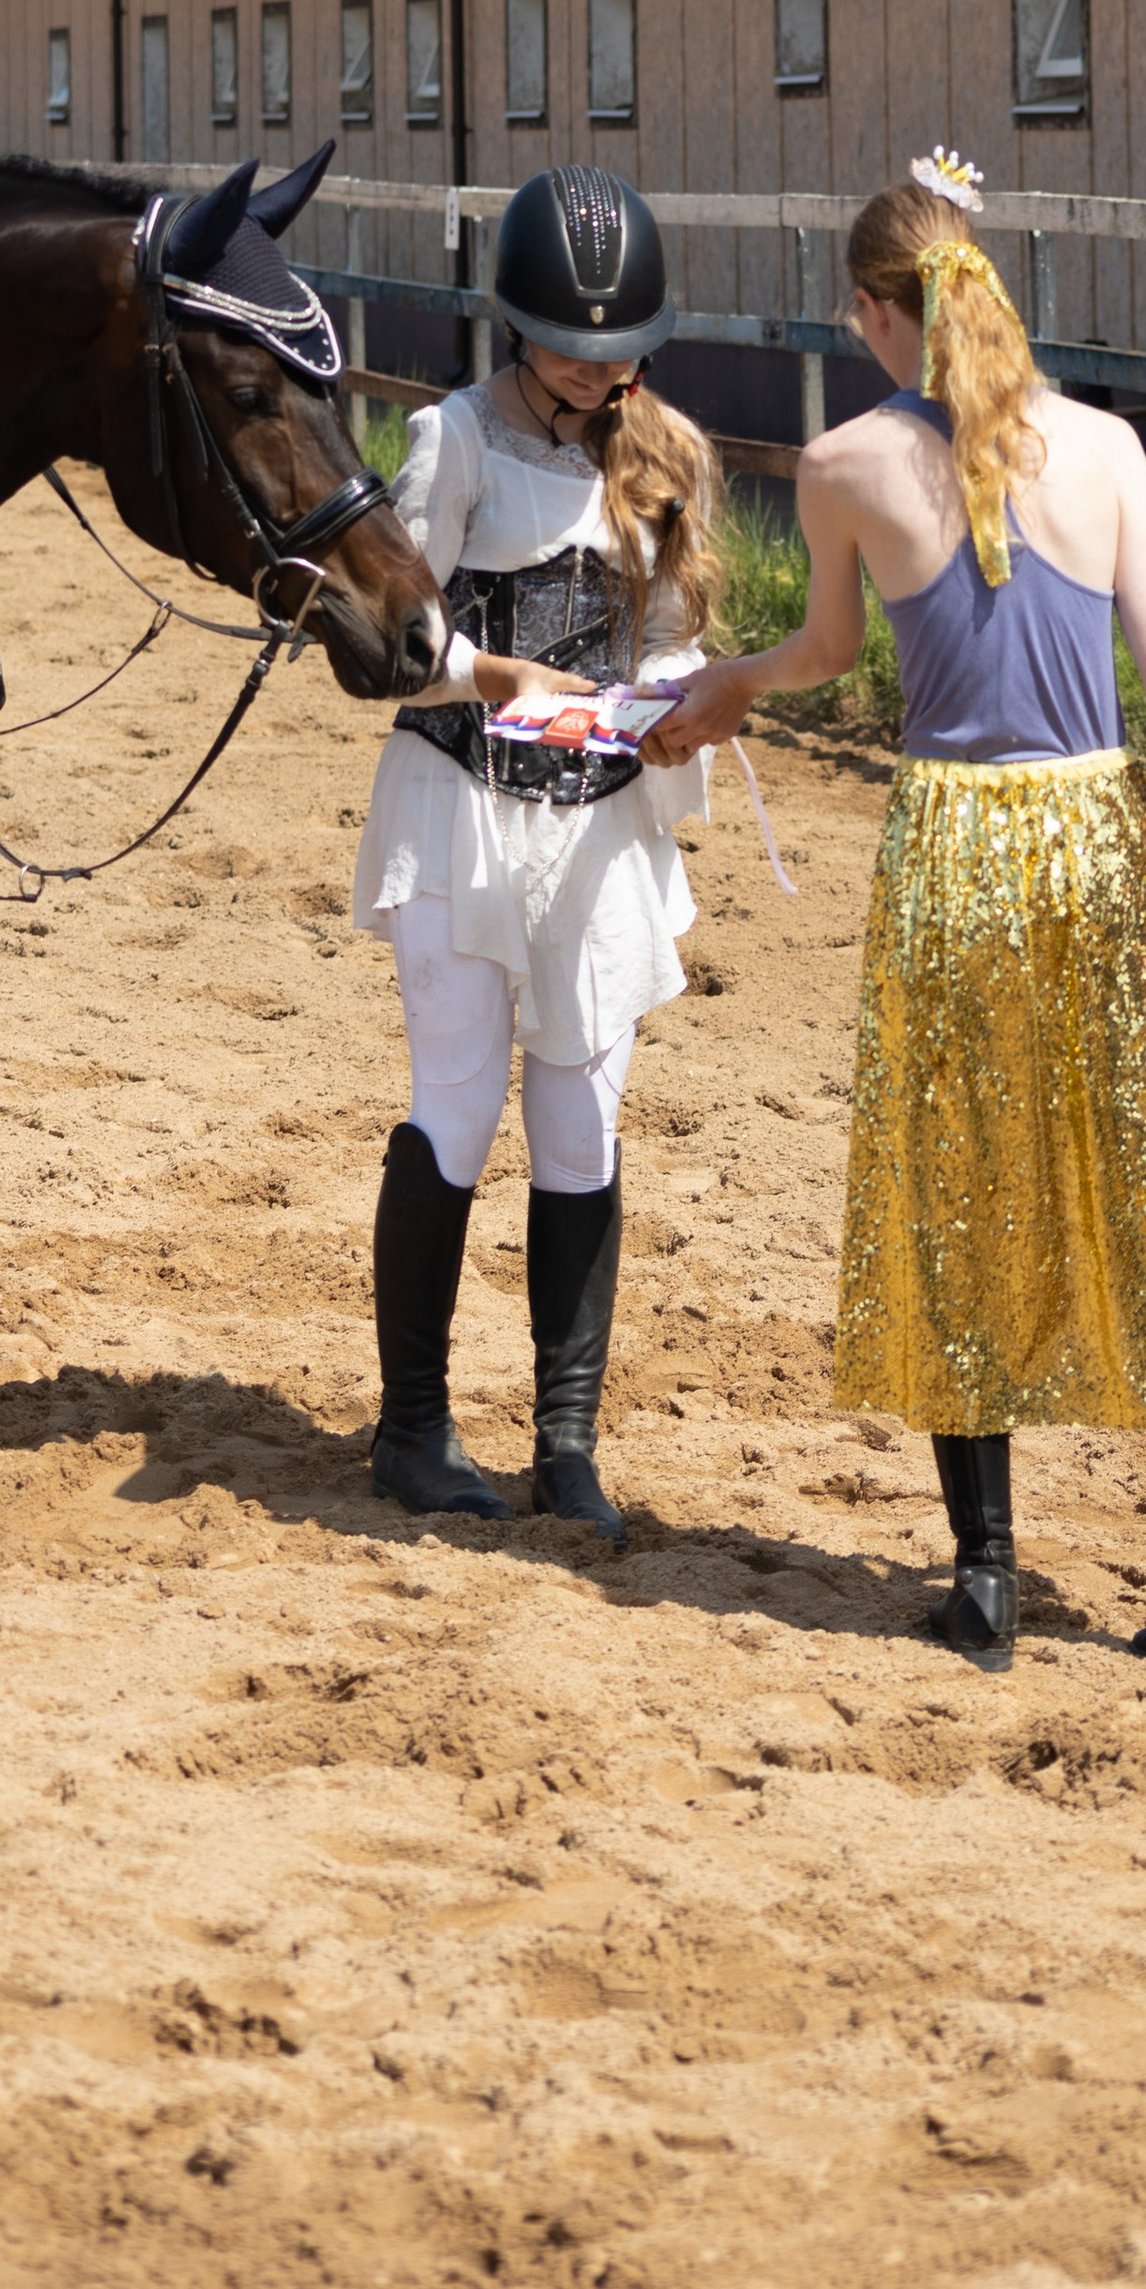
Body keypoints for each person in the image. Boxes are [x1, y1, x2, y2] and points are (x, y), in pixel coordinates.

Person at [644, 154, 1146, 1670]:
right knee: (1144, 1192)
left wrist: (726, 692)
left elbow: (823, 651)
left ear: (881, 314)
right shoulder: (1111, 451)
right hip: (1095, 835)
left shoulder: (841, 467)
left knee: (954, 1192)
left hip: (953, 845)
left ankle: (991, 1582)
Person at [352, 163, 721, 1543]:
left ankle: (568, 1443)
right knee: (456, 1106)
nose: (597, 369)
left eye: (619, 348)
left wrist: (677, 696)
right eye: (574, 345)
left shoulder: (666, 452)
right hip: (462, 812)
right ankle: (413, 1429)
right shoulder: (453, 439)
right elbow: (397, 632)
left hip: (598, 828)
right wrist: (483, 672)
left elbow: (672, 631)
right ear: (516, 327)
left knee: (581, 1124)